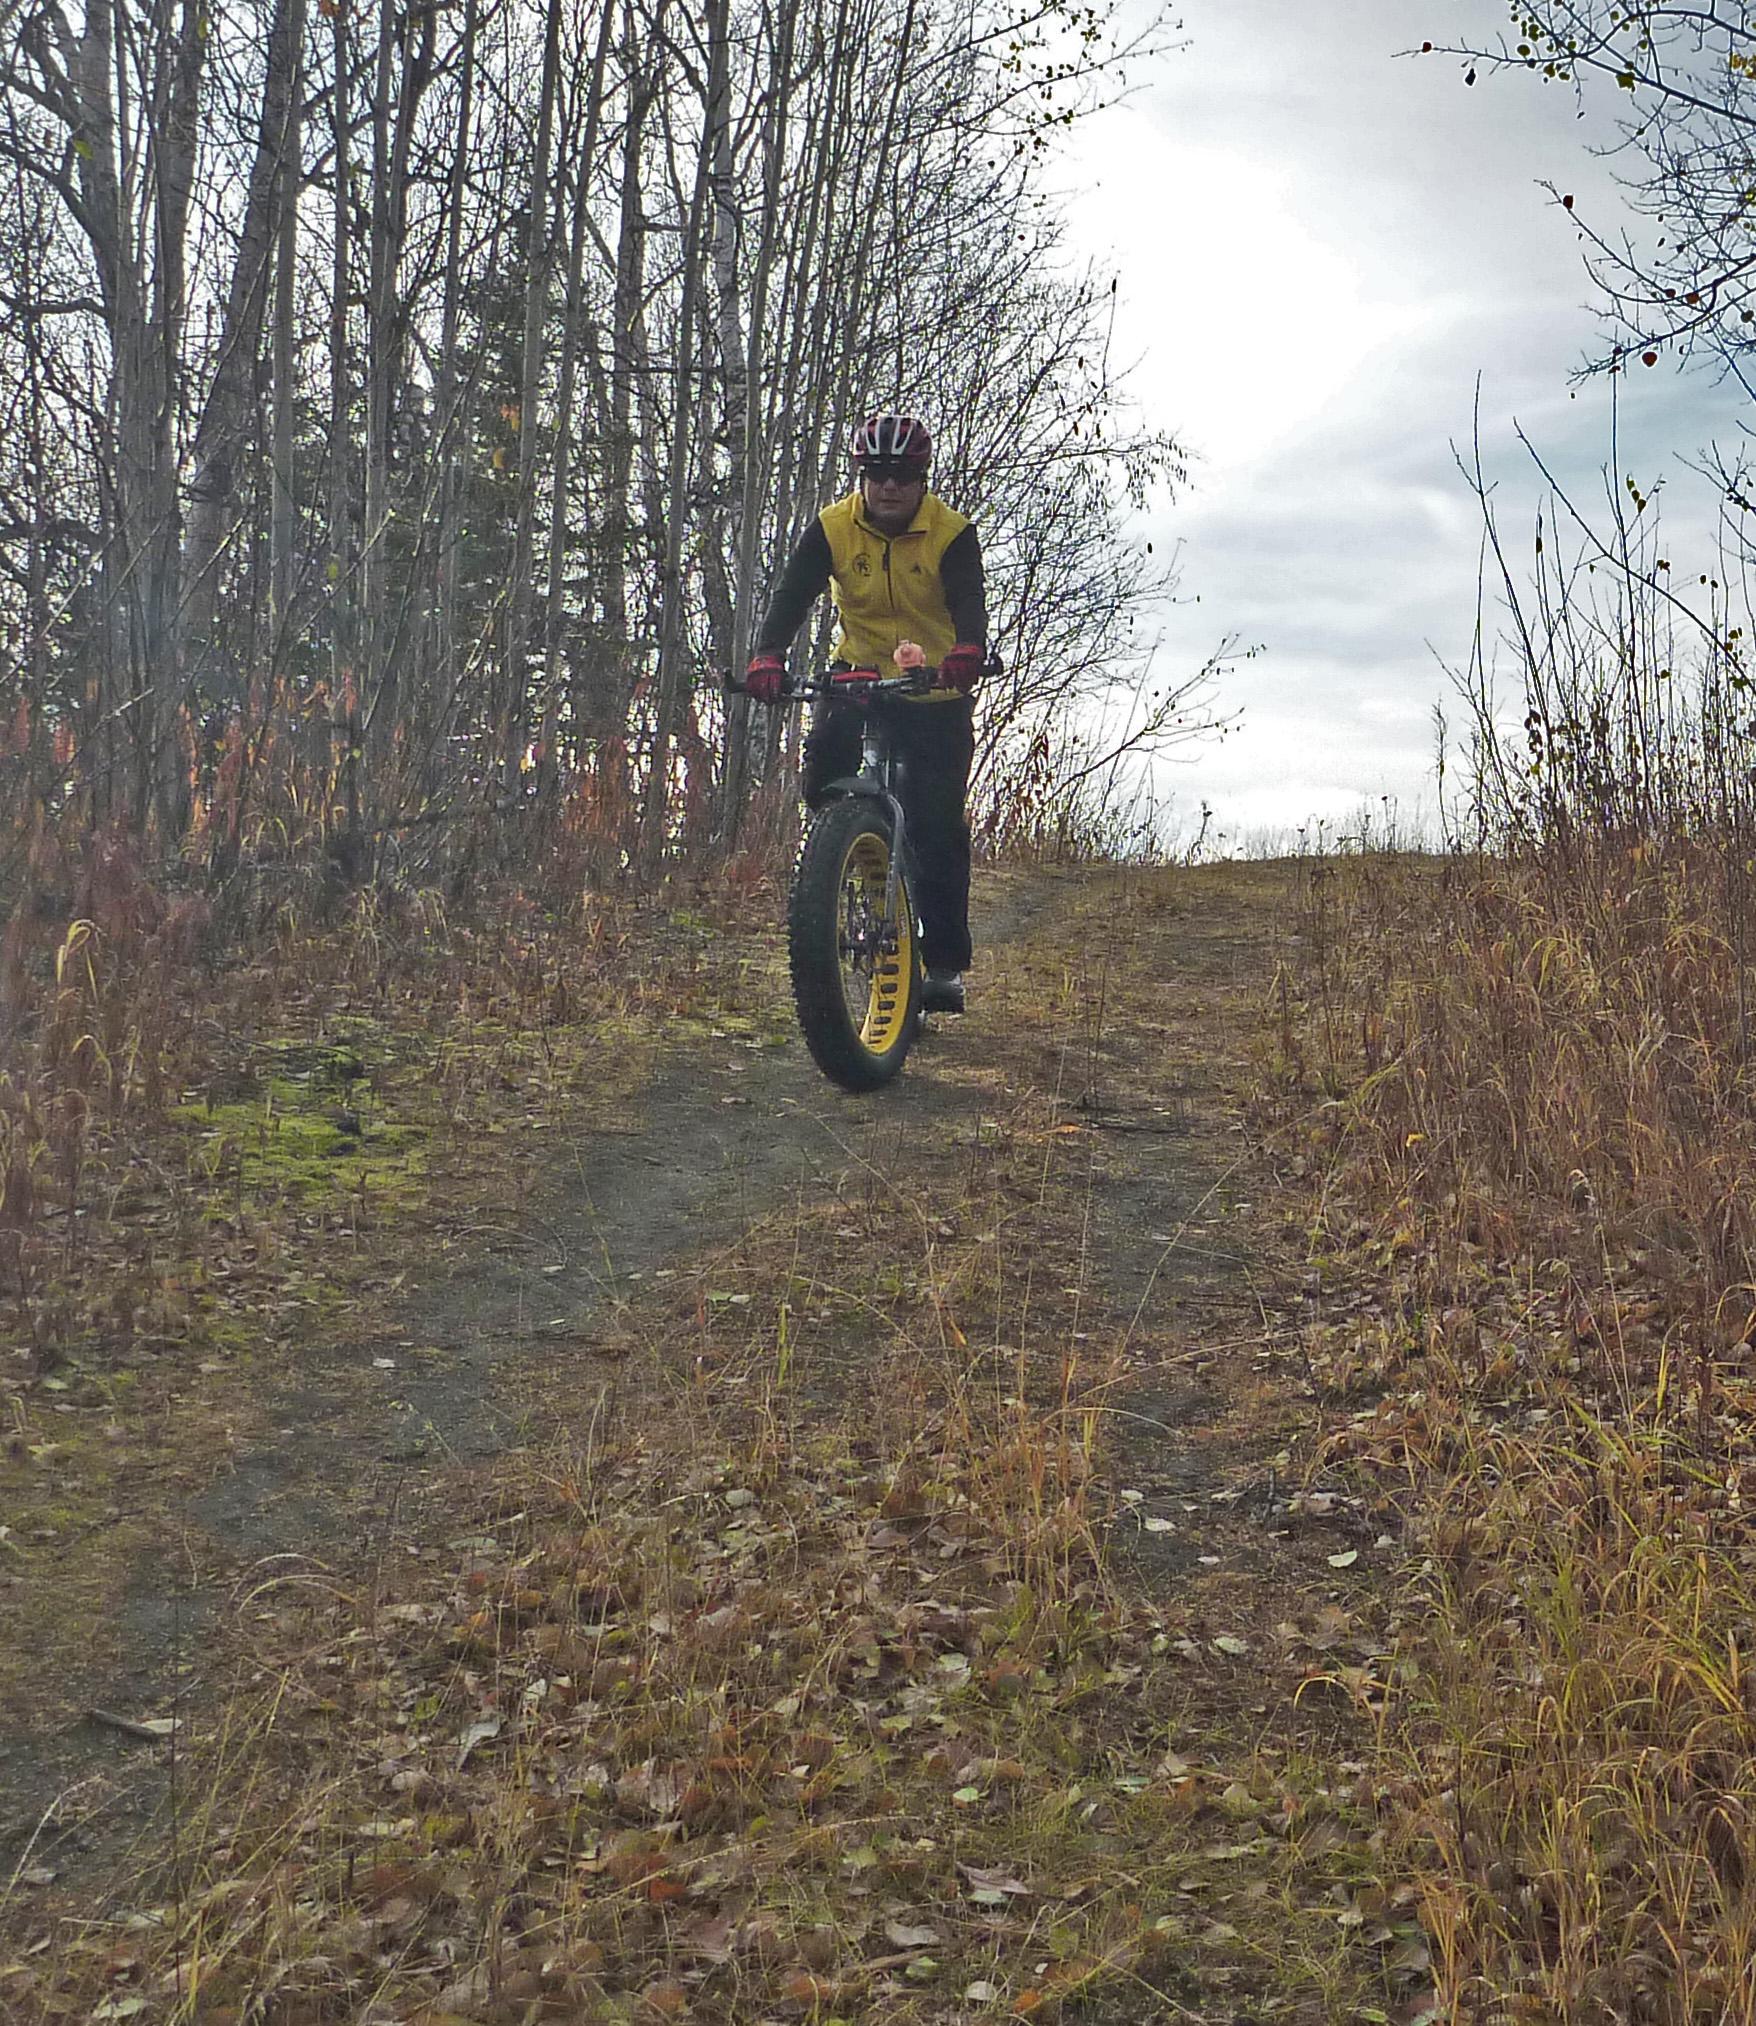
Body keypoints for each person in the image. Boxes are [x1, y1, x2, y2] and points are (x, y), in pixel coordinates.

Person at [745, 412, 987, 1014]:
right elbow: (792, 597)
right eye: (876, 473)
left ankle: (945, 965)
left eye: (902, 474)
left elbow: (969, 603)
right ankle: (840, 861)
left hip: (933, 690)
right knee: (824, 776)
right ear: (862, 476)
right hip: (857, 677)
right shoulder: (831, 528)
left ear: (922, 477)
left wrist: (966, 653)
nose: (889, 487)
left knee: (936, 827)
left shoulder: (950, 533)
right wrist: (767, 656)